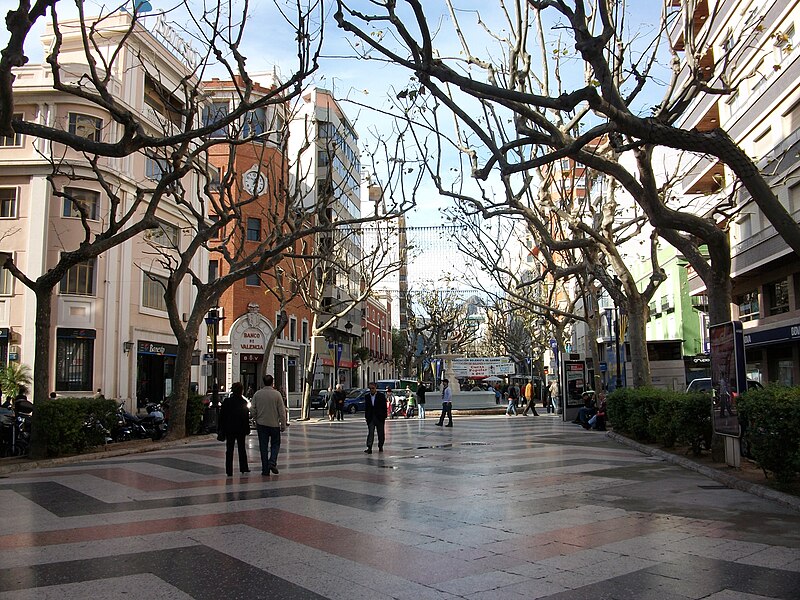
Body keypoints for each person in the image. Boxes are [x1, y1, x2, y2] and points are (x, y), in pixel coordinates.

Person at [251, 374, 288, 476]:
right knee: (275, 444)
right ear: (272, 382)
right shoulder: (277, 394)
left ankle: (265, 469)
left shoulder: (257, 394)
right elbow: (282, 411)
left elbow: (252, 409)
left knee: (263, 446)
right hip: (274, 424)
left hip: (261, 424)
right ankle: (272, 461)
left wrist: (255, 417)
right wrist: (283, 424)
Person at [218, 381, 250, 476]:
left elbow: (222, 416)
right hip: (240, 429)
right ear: (241, 391)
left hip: (229, 428)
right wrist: (247, 428)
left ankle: (229, 470)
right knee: (241, 448)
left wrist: (221, 428)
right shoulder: (243, 402)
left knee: (229, 449)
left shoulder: (227, 402)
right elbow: (245, 418)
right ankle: (243, 467)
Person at [364, 382, 387, 453]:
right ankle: (369, 447)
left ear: (376, 388)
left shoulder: (381, 396)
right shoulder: (367, 396)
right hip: (371, 418)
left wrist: (384, 416)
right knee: (370, 432)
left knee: (380, 433)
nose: (371, 390)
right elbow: (366, 408)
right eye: (370, 388)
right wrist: (367, 417)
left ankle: (380, 446)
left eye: (373, 388)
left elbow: (384, 407)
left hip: (379, 417)